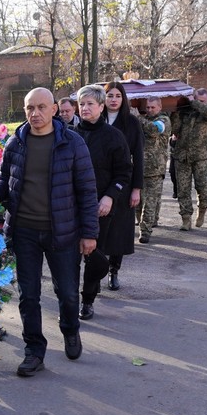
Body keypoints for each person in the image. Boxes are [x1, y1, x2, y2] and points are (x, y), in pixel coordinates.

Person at [0, 88, 98, 376]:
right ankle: (34, 350)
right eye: (29, 108)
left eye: (41, 107)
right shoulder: (16, 143)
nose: (34, 113)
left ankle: (70, 329)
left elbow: (87, 191)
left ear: (54, 110)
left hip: (63, 233)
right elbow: (5, 183)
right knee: (29, 295)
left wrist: (89, 233)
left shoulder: (72, 143)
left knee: (68, 293)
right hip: (24, 231)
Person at [75, 84, 133, 320]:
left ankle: (87, 300)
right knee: (69, 260)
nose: (85, 108)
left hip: (101, 207)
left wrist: (110, 196)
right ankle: (68, 301)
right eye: (82, 104)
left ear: (101, 106)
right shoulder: (70, 135)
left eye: (90, 104)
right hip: (70, 207)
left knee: (94, 258)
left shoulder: (114, 137)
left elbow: (124, 172)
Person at [102, 81, 143, 291]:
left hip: (122, 183)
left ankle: (113, 271)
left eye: (118, 96)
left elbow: (138, 157)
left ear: (123, 99)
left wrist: (136, 188)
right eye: (110, 96)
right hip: (98, 183)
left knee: (118, 231)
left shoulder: (131, 123)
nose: (113, 100)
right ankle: (95, 272)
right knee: (97, 230)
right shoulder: (95, 118)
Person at [170, 88, 207, 229]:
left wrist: (195, 104)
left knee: (202, 188)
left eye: (203, 101)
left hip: (200, 157)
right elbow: (174, 129)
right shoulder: (184, 112)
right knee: (183, 190)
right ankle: (186, 219)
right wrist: (176, 112)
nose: (201, 104)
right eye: (198, 100)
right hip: (182, 156)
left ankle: (202, 211)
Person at [136, 96, 170, 243]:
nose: (149, 110)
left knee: (149, 202)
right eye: (147, 107)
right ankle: (144, 223)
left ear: (159, 107)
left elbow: (154, 130)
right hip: (138, 167)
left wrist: (137, 117)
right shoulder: (143, 119)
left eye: (153, 107)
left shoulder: (164, 120)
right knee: (138, 202)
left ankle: (145, 231)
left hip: (155, 169)